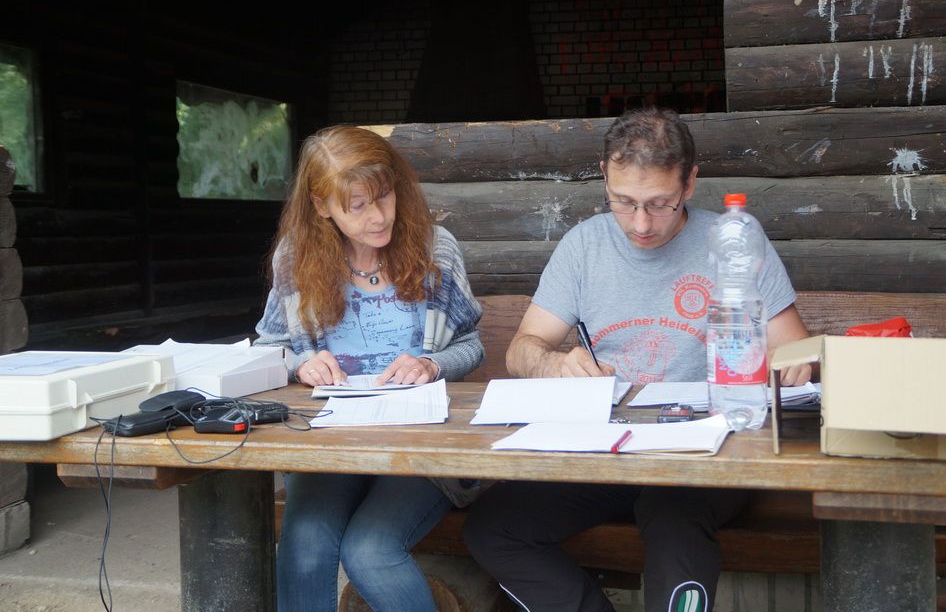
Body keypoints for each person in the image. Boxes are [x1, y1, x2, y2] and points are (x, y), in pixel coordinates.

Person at [463, 107, 811, 612]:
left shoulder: (733, 241)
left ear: (690, 183)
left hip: (706, 451)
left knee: (672, 516)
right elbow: (523, 349)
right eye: (623, 202)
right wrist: (554, 364)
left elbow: (794, 350)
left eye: (659, 204)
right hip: (607, 450)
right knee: (494, 527)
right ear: (604, 176)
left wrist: (787, 363)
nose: (641, 223)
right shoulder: (584, 246)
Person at [254, 125, 484, 612]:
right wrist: (301, 363)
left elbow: (471, 345)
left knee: (371, 551)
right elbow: (268, 347)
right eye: (357, 206)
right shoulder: (296, 257)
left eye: (384, 197)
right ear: (322, 206)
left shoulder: (435, 249)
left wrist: (431, 364)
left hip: (421, 445)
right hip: (331, 443)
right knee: (304, 544)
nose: (378, 217)